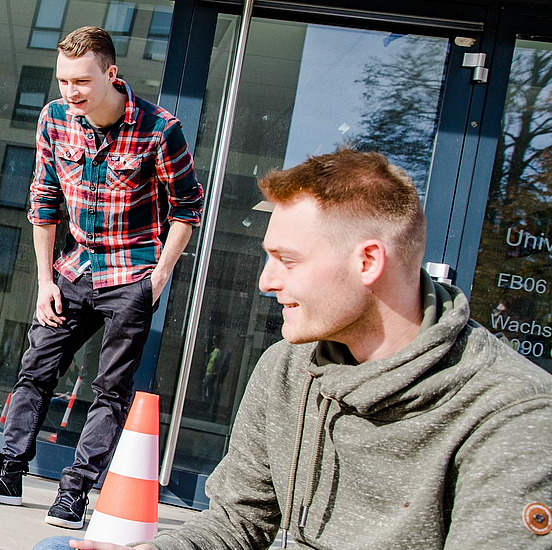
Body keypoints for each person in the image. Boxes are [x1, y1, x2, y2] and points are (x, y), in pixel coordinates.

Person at [47, 150, 552, 548]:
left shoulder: (515, 415)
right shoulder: (287, 367)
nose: (266, 282)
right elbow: (235, 524)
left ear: (368, 261)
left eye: (287, 260)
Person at [0, 25, 204, 530]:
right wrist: (45, 282)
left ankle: (74, 493)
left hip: (132, 272)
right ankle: (7, 474)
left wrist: (159, 278)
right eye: (64, 80)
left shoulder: (159, 129)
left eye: (82, 81)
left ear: (111, 74)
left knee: (110, 388)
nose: (71, 91)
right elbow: (43, 202)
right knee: (36, 368)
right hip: (73, 268)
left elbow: (187, 209)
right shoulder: (54, 118)